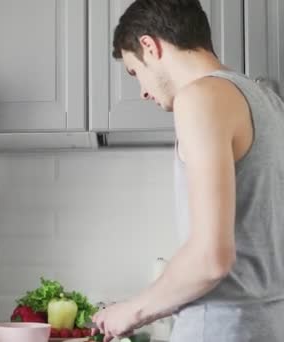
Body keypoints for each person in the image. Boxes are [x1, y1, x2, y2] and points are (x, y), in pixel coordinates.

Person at [92, 0, 284, 341]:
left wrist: (129, 311)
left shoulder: (200, 97)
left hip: (220, 329)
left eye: (136, 72)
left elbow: (211, 258)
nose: (143, 91)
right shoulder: (266, 100)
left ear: (150, 46)